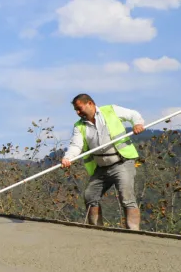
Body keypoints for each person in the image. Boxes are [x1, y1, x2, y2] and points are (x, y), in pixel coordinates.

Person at [61, 93, 145, 230]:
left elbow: (133, 115)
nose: (77, 112)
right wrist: (68, 158)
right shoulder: (79, 126)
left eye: (79, 108)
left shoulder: (110, 110)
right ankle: (97, 230)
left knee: (126, 197)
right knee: (90, 196)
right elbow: (76, 145)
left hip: (121, 162)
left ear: (90, 103)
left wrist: (138, 124)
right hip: (101, 168)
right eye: (76, 110)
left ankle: (133, 231)